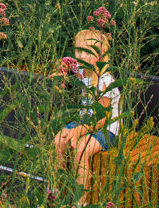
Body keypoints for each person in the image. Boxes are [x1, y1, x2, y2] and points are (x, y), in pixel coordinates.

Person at [54, 28, 121, 193]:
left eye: (87, 51)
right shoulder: (85, 72)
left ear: (102, 53)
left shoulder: (105, 82)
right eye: (78, 50)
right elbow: (69, 68)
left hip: (105, 129)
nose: (81, 56)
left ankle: (80, 198)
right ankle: (55, 191)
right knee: (58, 140)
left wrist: (78, 131)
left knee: (81, 149)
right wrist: (62, 70)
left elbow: (101, 120)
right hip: (83, 122)